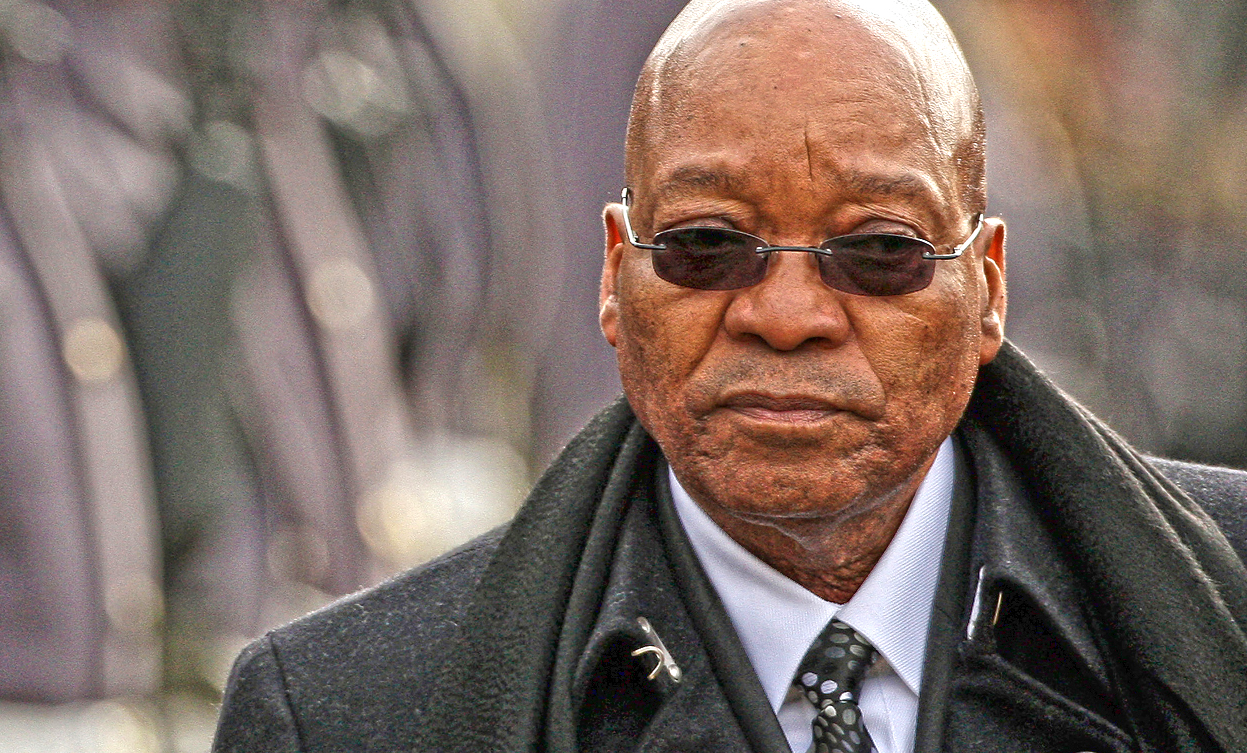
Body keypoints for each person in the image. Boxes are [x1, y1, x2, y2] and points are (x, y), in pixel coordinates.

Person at [211, 0, 1247, 751]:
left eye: (878, 251)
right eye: (706, 245)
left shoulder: (1216, 609)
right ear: (614, 276)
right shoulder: (344, 712)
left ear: (987, 286)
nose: (786, 316)